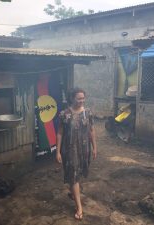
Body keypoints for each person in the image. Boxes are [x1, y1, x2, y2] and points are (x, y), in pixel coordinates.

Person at [56, 87, 97, 220]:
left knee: (77, 173)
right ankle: (79, 206)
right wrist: (57, 152)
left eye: (83, 98)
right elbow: (60, 133)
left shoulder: (88, 113)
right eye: (79, 98)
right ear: (72, 98)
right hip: (69, 150)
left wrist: (94, 147)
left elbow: (91, 131)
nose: (81, 101)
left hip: (83, 150)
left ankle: (74, 192)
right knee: (73, 174)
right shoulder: (64, 114)